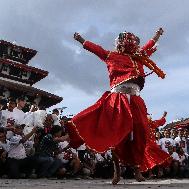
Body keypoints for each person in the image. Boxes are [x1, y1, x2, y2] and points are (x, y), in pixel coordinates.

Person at [68, 28, 165, 184]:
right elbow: (97, 50)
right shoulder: (110, 56)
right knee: (115, 134)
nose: (131, 43)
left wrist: (157, 35)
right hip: (117, 99)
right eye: (127, 41)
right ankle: (117, 171)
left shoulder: (139, 57)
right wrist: (81, 40)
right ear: (120, 43)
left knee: (139, 132)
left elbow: (148, 45)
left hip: (135, 99)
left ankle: (137, 170)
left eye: (133, 41)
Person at [139, 111, 172, 177]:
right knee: (149, 159)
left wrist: (163, 116)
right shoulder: (141, 126)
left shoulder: (152, 124)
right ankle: (151, 173)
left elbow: (159, 122)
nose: (148, 117)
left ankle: (159, 170)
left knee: (158, 156)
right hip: (146, 145)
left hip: (153, 145)